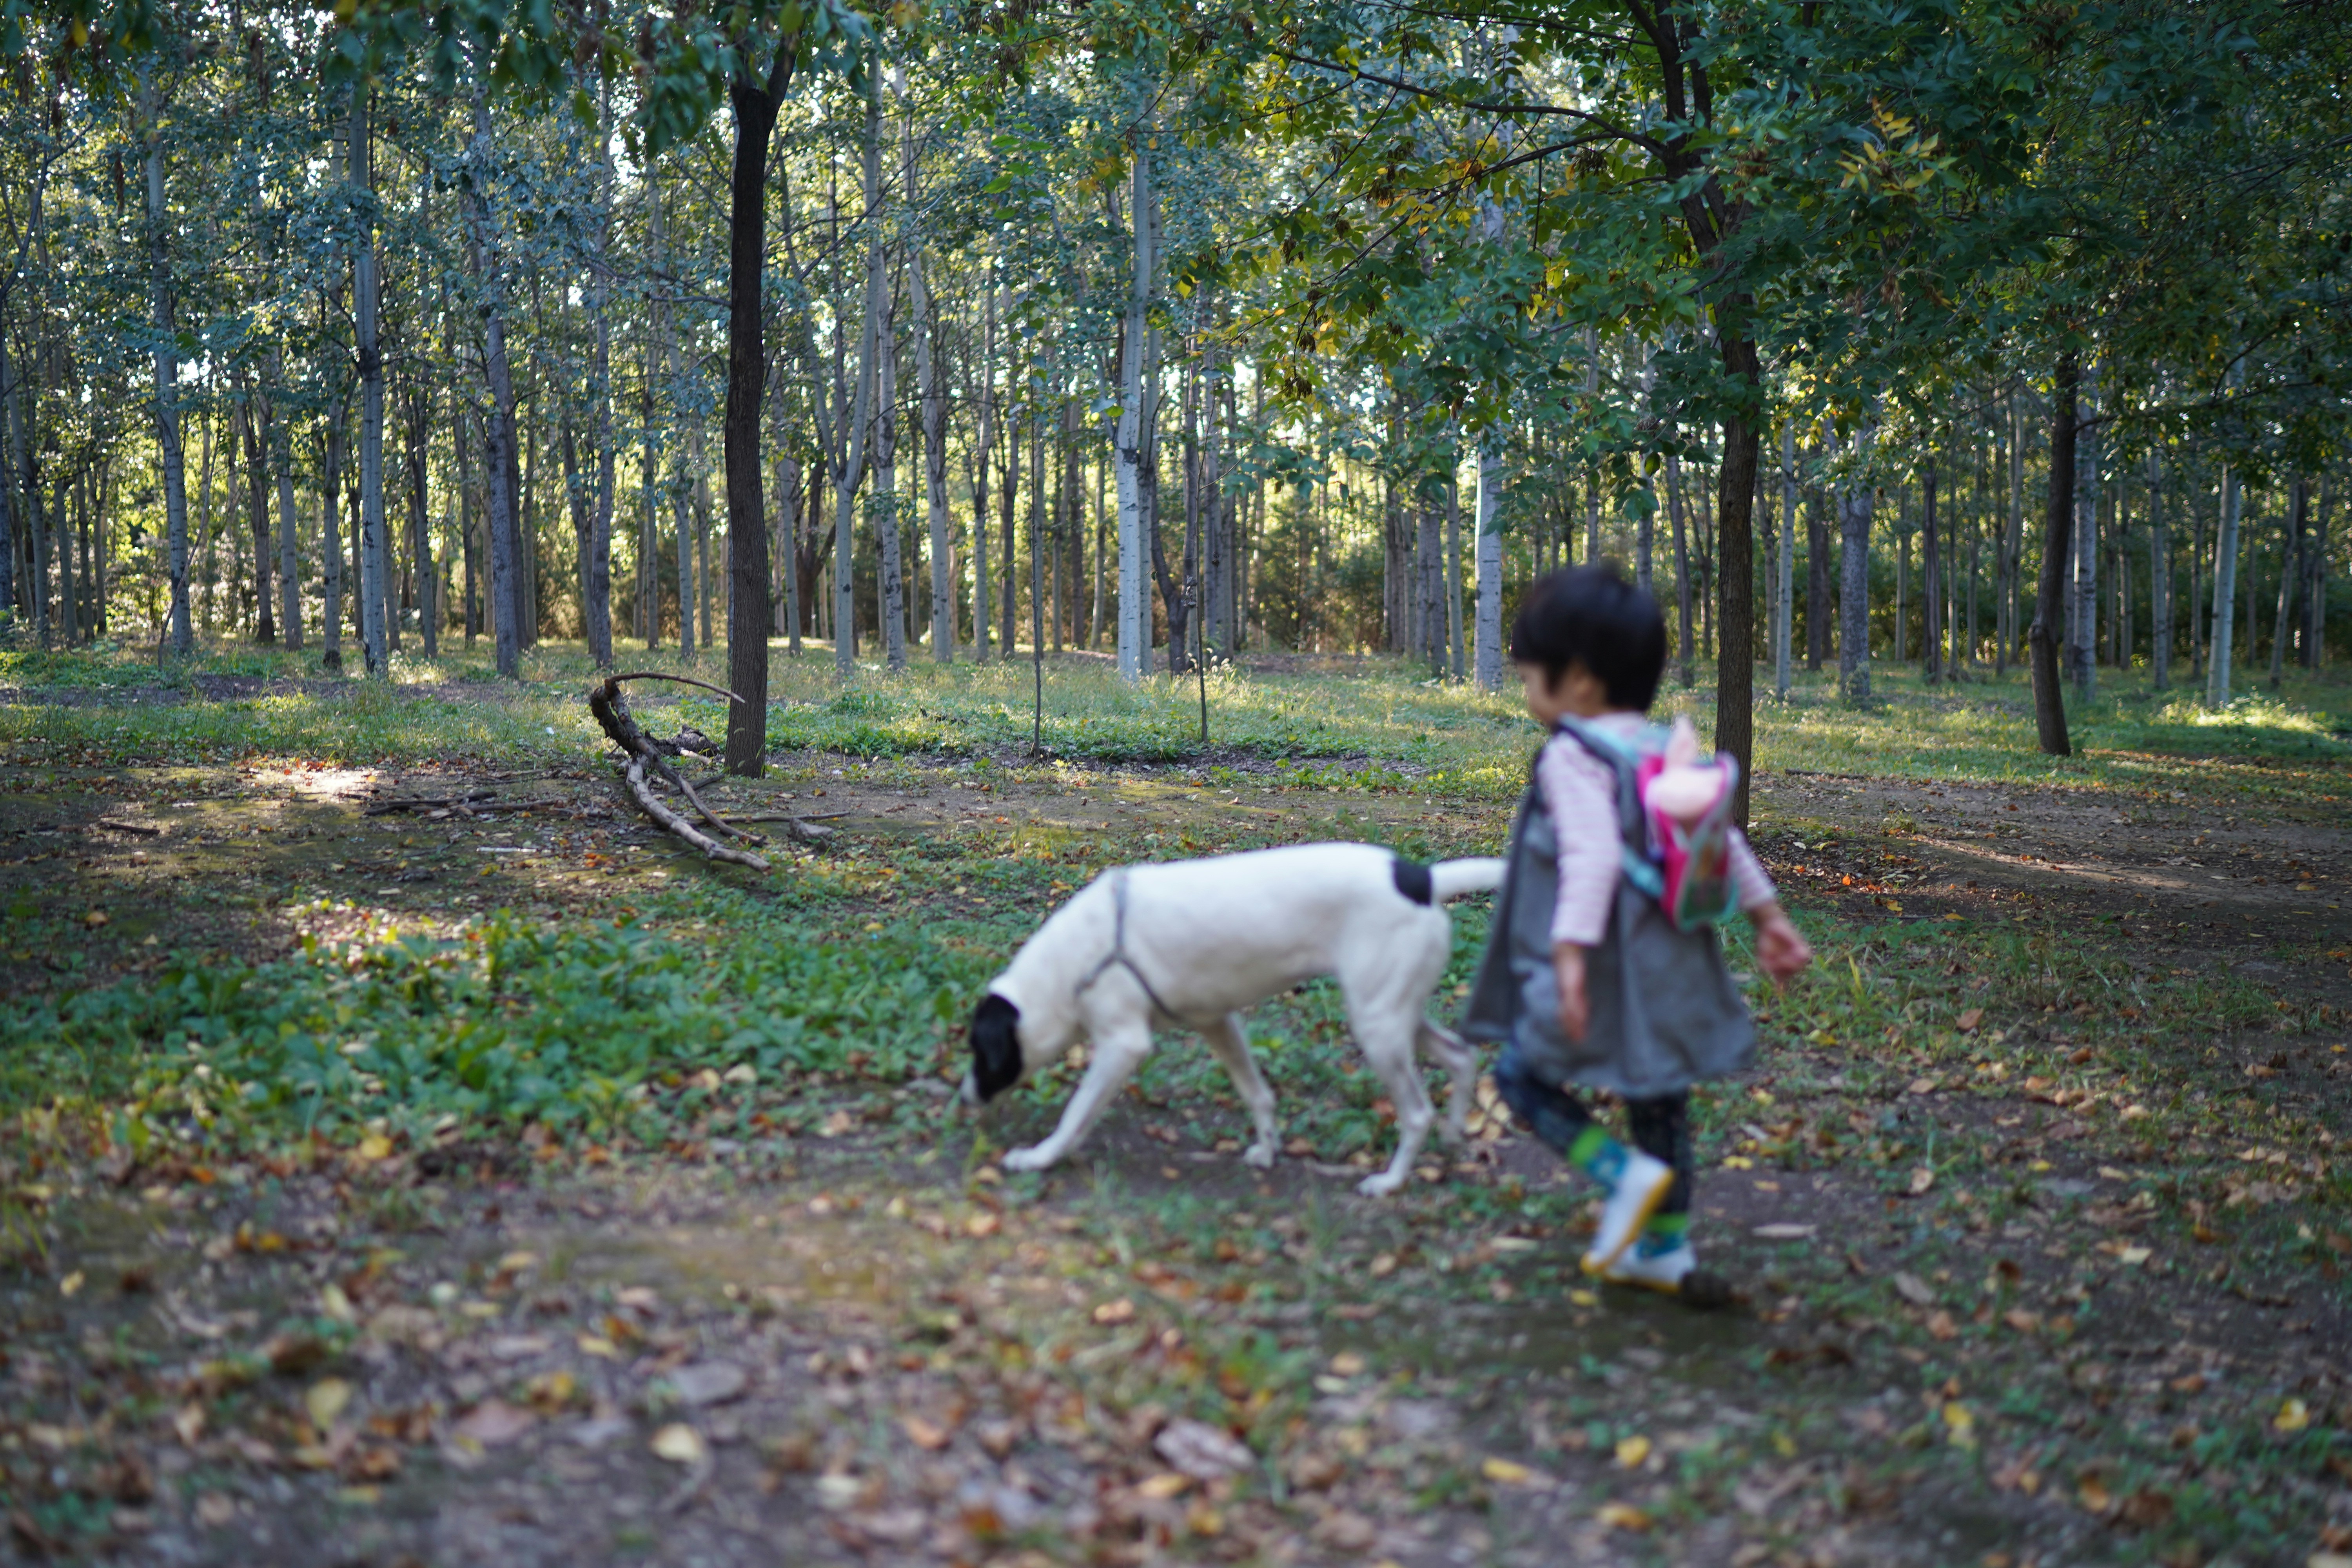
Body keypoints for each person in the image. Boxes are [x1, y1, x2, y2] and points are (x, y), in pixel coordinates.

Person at [1463, 564, 1812, 1305]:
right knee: (1661, 1097)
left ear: (1579, 681)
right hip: (1669, 963)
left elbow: (1589, 860)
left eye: (1530, 675)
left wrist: (1568, 961)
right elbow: (1721, 842)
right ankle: (1665, 1251)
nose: (1526, 691)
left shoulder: (1572, 755)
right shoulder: (1664, 750)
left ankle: (1625, 1178)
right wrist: (1770, 920)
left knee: (1522, 1076)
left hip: (1599, 961)